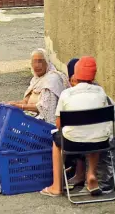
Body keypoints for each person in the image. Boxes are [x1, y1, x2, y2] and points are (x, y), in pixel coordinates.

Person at [40, 56, 111, 197]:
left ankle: (56, 187)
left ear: (76, 75)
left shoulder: (67, 94)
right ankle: (91, 174)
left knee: (57, 141)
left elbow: (59, 124)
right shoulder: (101, 92)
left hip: (73, 143)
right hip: (101, 141)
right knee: (94, 133)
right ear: (93, 75)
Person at [65, 58, 115, 190]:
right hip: (111, 131)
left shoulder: (73, 95)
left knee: (76, 135)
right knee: (86, 132)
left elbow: (61, 122)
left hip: (113, 135)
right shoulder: (98, 91)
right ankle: (84, 174)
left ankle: (69, 178)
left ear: (74, 78)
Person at [6, 48, 70, 125]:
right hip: (33, 117)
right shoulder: (35, 80)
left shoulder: (52, 79)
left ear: (47, 62)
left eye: (40, 61)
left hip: (45, 124)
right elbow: (26, 101)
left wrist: (20, 107)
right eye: (34, 61)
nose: (37, 65)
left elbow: (44, 108)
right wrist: (11, 104)